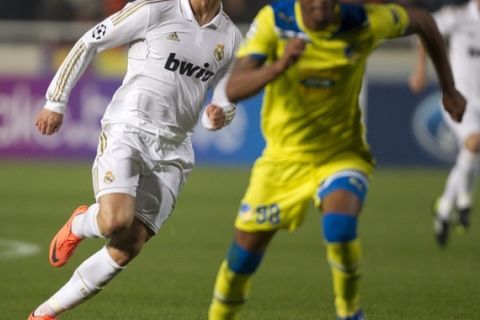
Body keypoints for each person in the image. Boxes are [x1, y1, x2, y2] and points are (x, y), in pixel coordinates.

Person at [207, 0, 466, 319]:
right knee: (242, 259)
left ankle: (349, 311)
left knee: (340, 227)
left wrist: (449, 89)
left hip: (341, 154)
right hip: (283, 161)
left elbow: (425, 22)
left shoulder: (363, 22)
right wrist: (278, 66)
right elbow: (233, 88)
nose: (320, 4)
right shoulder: (276, 21)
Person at [29, 0, 242, 319]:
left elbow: (227, 92)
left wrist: (220, 113)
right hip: (129, 128)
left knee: (129, 244)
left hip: (175, 149)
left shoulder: (232, 37)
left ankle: (44, 313)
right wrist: (55, 101)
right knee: (114, 221)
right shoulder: (156, 9)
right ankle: (81, 223)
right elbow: (91, 40)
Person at [409, 0, 480, 247]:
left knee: (469, 155)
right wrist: (420, 71)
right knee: (474, 143)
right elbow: (426, 31)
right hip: (460, 99)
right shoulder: (458, 16)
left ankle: (445, 206)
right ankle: (464, 200)